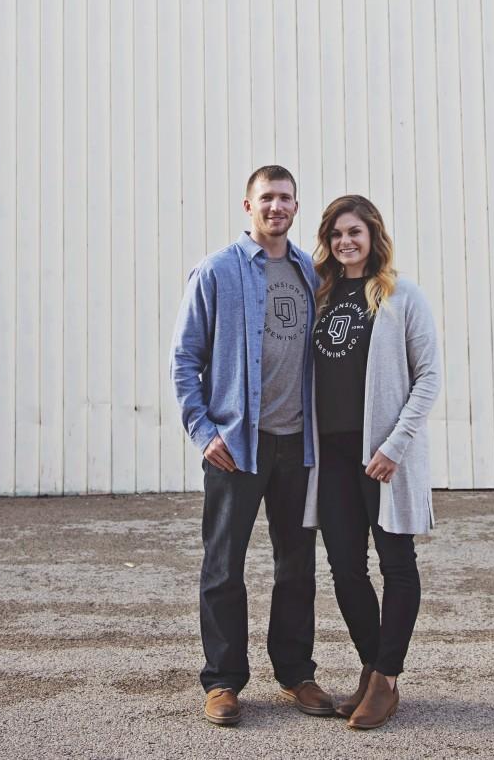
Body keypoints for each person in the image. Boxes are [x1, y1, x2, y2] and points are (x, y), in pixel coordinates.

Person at [170, 165, 334, 726]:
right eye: (266, 197)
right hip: (237, 446)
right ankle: (222, 682)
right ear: (248, 206)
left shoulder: (311, 273)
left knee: (297, 567)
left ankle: (295, 674)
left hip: (299, 445)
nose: (276, 207)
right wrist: (204, 431)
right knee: (223, 566)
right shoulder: (217, 271)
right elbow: (184, 359)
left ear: (296, 206)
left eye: (285, 198)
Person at [303, 194, 441, 730]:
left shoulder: (401, 295)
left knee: (396, 564)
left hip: (382, 456)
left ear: (373, 236)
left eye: (354, 232)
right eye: (336, 234)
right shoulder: (320, 295)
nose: (345, 241)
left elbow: (428, 377)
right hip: (333, 456)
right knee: (345, 569)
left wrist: (394, 446)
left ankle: (386, 678)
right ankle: (371, 666)